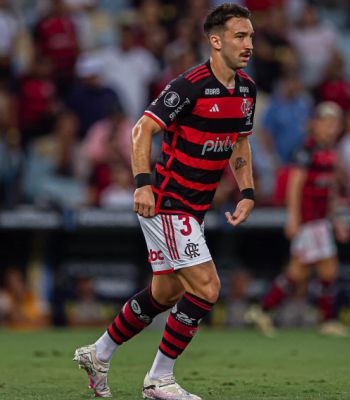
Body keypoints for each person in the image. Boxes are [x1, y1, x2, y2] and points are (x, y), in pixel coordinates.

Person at [73, 5, 257, 399]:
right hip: (168, 203)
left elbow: (239, 142)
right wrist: (142, 185)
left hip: (195, 208)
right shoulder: (189, 85)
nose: (249, 45)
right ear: (216, 40)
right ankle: (159, 380)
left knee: (165, 294)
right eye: (240, 36)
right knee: (207, 288)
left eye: (251, 37)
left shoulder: (246, 91)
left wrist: (247, 192)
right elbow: (142, 130)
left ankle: (98, 352)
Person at [254, 101, 350, 337]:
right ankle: (326, 320)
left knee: (302, 271)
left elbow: (330, 191)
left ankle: (263, 310)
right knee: (320, 270)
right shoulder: (307, 149)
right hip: (309, 220)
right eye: (326, 122)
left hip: (320, 220)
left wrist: (336, 219)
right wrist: (293, 217)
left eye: (335, 123)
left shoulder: (330, 151)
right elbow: (295, 184)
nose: (331, 127)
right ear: (315, 124)